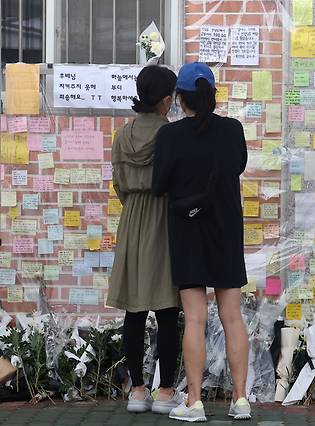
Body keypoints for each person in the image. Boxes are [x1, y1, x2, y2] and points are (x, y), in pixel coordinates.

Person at [152, 62, 251, 422]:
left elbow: (159, 184)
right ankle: (240, 400)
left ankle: (194, 403)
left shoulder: (170, 136)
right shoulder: (232, 130)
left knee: (194, 319)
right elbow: (237, 166)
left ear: (179, 98)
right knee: (232, 317)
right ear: (212, 92)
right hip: (225, 229)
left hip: (187, 230)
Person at [106, 65, 184, 415]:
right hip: (165, 219)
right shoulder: (172, 134)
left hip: (133, 220)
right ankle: (166, 391)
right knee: (168, 310)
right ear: (166, 100)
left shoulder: (122, 135)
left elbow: (120, 184)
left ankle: (137, 391)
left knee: (134, 310)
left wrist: (135, 204)